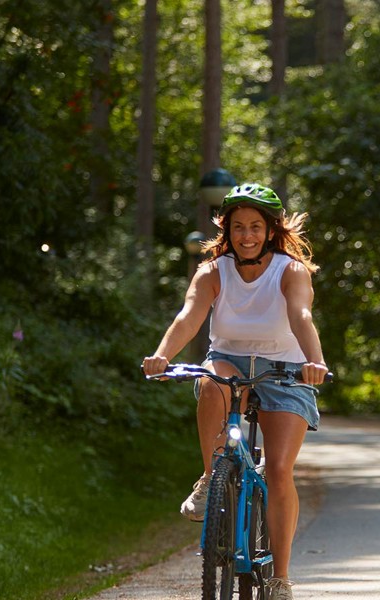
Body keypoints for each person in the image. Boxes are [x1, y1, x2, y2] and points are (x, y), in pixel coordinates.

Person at [141, 183, 328, 599]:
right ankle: (211, 477)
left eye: (255, 227)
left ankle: (280, 577)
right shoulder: (213, 270)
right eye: (238, 227)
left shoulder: (290, 269)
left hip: (287, 366)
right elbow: (190, 316)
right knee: (211, 381)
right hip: (229, 358)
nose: (246, 236)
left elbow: (300, 315)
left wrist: (314, 361)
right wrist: (161, 354)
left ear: (270, 230)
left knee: (279, 470)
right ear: (226, 230)